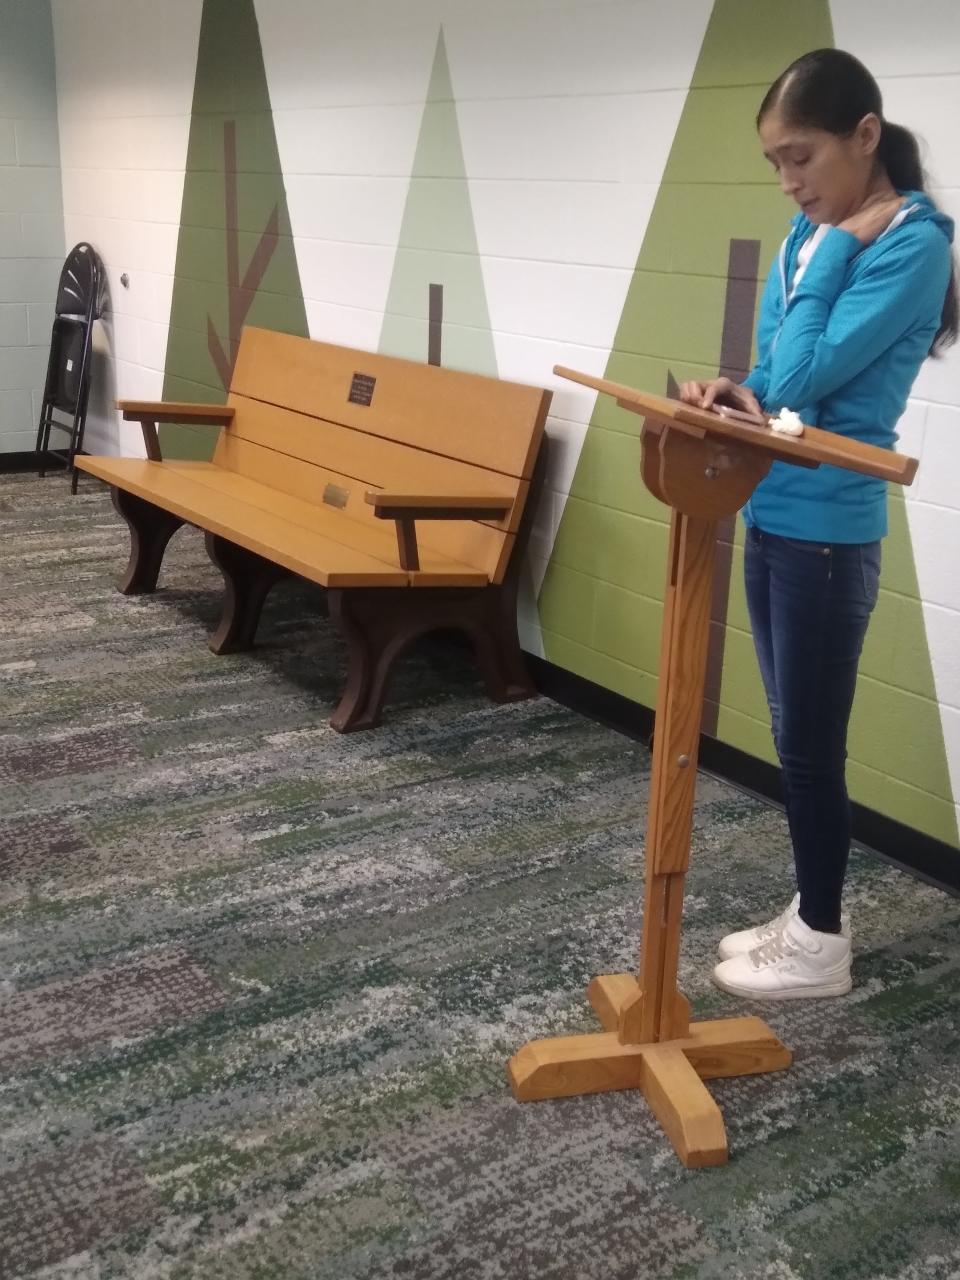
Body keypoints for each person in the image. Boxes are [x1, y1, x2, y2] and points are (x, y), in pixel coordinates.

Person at [679, 48, 957, 1000]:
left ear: (864, 136)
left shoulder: (914, 243)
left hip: (832, 534)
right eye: (776, 165)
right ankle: (808, 909)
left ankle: (824, 943)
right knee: (792, 726)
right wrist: (734, 392)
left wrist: (838, 247)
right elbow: (771, 377)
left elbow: (802, 383)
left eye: (801, 157)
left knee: (808, 747)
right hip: (772, 506)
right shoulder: (807, 237)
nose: (791, 182)